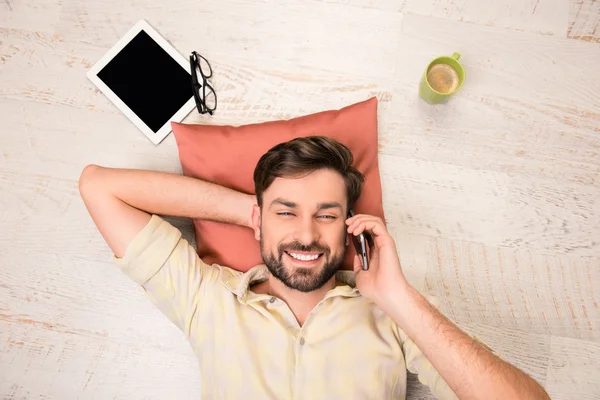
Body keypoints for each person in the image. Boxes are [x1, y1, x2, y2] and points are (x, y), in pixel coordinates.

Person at [79, 136, 549, 400]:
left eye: (325, 214)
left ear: (348, 227)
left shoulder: (391, 314)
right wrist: (253, 212)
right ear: (258, 221)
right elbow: (98, 187)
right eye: (287, 212)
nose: (306, 234)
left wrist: (398, 297)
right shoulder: (206, 298)